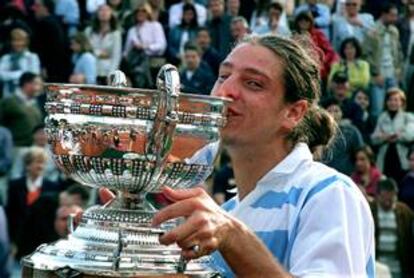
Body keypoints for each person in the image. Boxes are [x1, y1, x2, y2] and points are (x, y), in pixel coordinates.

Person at [151, 35, 375, 277]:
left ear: (294, 112)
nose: (225, 91)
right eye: (224, 76)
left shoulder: (328, 193)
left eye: (253, 83)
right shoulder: (226, 213)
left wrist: (234, 238)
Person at [0, 72, 43, 179]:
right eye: (36, 84)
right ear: (27, 84)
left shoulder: (35, 104)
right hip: (15, 149)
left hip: (33, 150)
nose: (39, 88)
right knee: (14, 179)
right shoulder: (8, 102)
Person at [364, 3, 404, 118]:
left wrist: (399, 69)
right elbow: (365, 54)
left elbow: (399, 52)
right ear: (384, 15)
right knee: (377, 109)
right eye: (392, 15)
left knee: (396, 107)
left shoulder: (394, 31)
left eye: (395, 15)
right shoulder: (372, 31)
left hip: (393, 74)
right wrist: (375, 73)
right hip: (378, 75)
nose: (395, 18)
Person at [370, 178, 414, 277]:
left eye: (391, 199)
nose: (388, 203)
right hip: (377, 265)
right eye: (385, 198)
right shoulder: (370, 210)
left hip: (398, 266)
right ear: (377, 195)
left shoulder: (405, 212)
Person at [371, 88, 414, 185]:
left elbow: (410, 135)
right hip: (385, 160)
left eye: (396, 100)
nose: (393, 102)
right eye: (390, 100)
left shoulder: (408, 117)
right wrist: (388, 136)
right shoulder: (382, 117)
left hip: (402, 160)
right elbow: (374, 138)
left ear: (402, 102)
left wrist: (389, 135)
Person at [322, 98, 364, 176]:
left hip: (347, 176)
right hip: (323, 176)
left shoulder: (351, 131)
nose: (333, 114)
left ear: (342, 113)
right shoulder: (318, 133)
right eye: (329, 111)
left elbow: (361, 153)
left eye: (336, 111)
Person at [292, 11, 338, 83]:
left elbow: (330, 51)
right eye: (301, 20)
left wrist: (322, 62)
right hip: (300, 72)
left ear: (310, 22)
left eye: (306, 20)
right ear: (297, 22)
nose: (303, 22)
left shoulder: (318, 34)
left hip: (317, 71)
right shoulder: (293, 37)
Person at [84, 4, 122, 85]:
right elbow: (86, 50)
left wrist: (111, 74)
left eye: (107, 10)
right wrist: (99, 53)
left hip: (108, 69)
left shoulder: (116, 34)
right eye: (101, 10)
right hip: (91, 67)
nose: (104, 12)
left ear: (111, 14)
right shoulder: (88, 31)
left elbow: (116, 56)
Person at [0, 28, 41, 98]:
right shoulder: (6, 58)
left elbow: (33, 77)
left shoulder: (32, 57)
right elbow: (1, 76)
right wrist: (21, 73)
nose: (17, 43)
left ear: (26, 42)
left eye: (20, 40)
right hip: (8, 97)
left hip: (27, 98)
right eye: (15, 40)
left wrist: (10, 75)